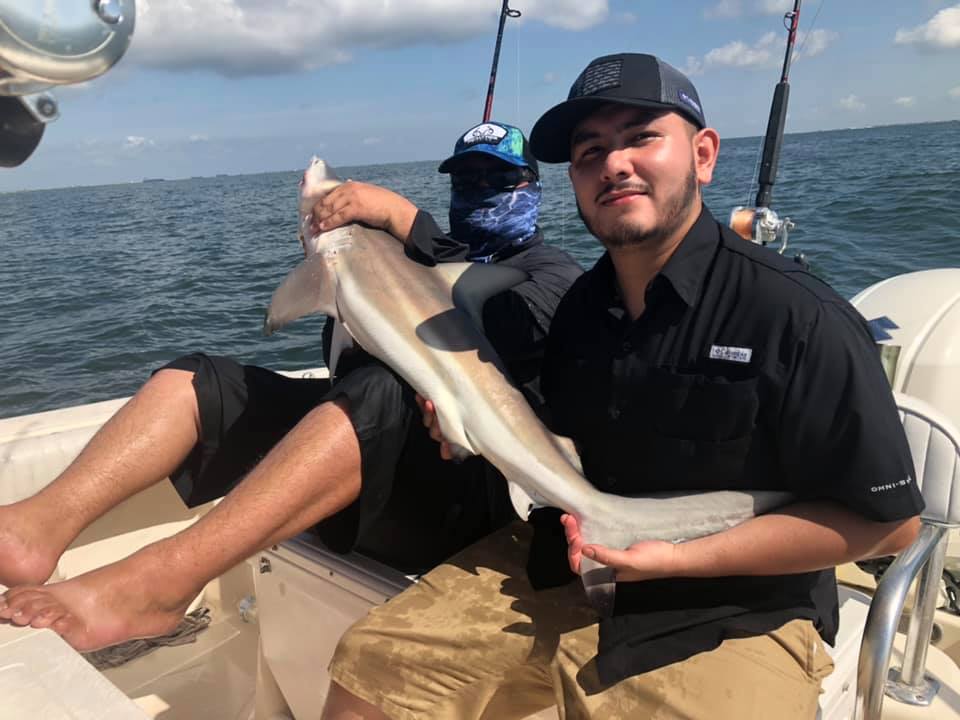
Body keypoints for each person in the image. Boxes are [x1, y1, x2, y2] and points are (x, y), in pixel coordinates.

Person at [321, 54, 924, 720]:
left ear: (703, 154)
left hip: (738, 608)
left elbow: (891, 526)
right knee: (367, 671)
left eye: (640, 137)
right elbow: (550, 447)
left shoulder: (796, 317)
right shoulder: (579, 310)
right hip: (566, 561)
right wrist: (462, 429)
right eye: (590, 151)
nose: (613, 163)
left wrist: (674, 558)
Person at [0, 121, 583, 651]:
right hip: (354, 479)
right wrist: (331, 264)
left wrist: (407, 221)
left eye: (498, 178)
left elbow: (512, 320)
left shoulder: (553, 272)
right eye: (467, 179)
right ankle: (32, 529)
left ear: (533, 187)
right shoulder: (402, 260)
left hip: (459, 499)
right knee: (203, 382)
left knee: (386, 387)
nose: (478, 189)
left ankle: (162, 581)